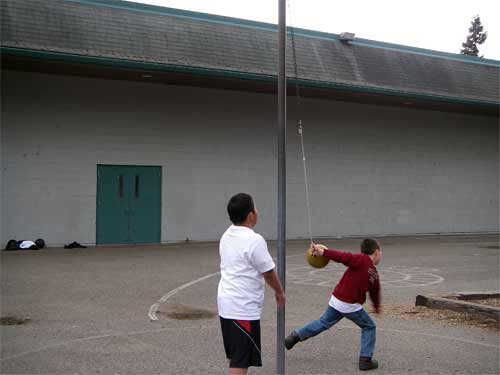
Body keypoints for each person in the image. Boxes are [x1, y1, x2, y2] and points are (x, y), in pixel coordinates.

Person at [285, 238, 382, 371]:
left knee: (322, 323)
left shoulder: (371, 271)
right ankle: (365, 360)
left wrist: (324, 252)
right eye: (380, 252)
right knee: (369, 326)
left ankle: (295, 336)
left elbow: (374, 291)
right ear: (376, 252)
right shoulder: (363, 260)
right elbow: (342, 257)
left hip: (336, 301)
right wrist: (323, 252)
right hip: (350, 305)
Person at [217, 193, 286, 375]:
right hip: (242, 307)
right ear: (251, 215)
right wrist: (279, 292)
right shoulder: (254, 240)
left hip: (226, 303)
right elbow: (268, 272)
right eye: (255, 208)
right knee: (240, 361)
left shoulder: (227, 235)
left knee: (236, 355)